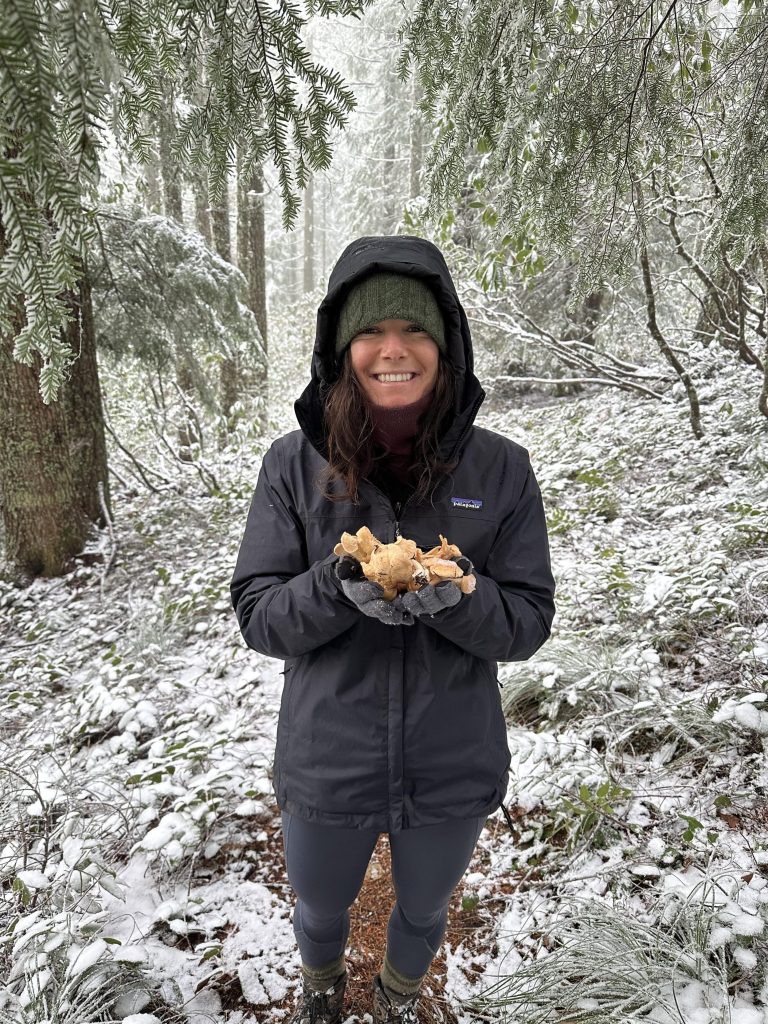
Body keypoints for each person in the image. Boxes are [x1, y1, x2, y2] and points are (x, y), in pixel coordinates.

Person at [230, 234, 556, 1023]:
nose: (393, 350)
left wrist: (462, 598)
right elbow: (258, 614)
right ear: (343, 350)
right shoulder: (292, 467)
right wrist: (337, 586)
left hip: (451, 757)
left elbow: (528, 620)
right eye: (372, 332)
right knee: (320, 904)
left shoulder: (502, 470)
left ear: (446, 345)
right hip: (326, 756)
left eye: (415, 330)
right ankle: (321, 987)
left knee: (422, 907)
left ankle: (400, 996)